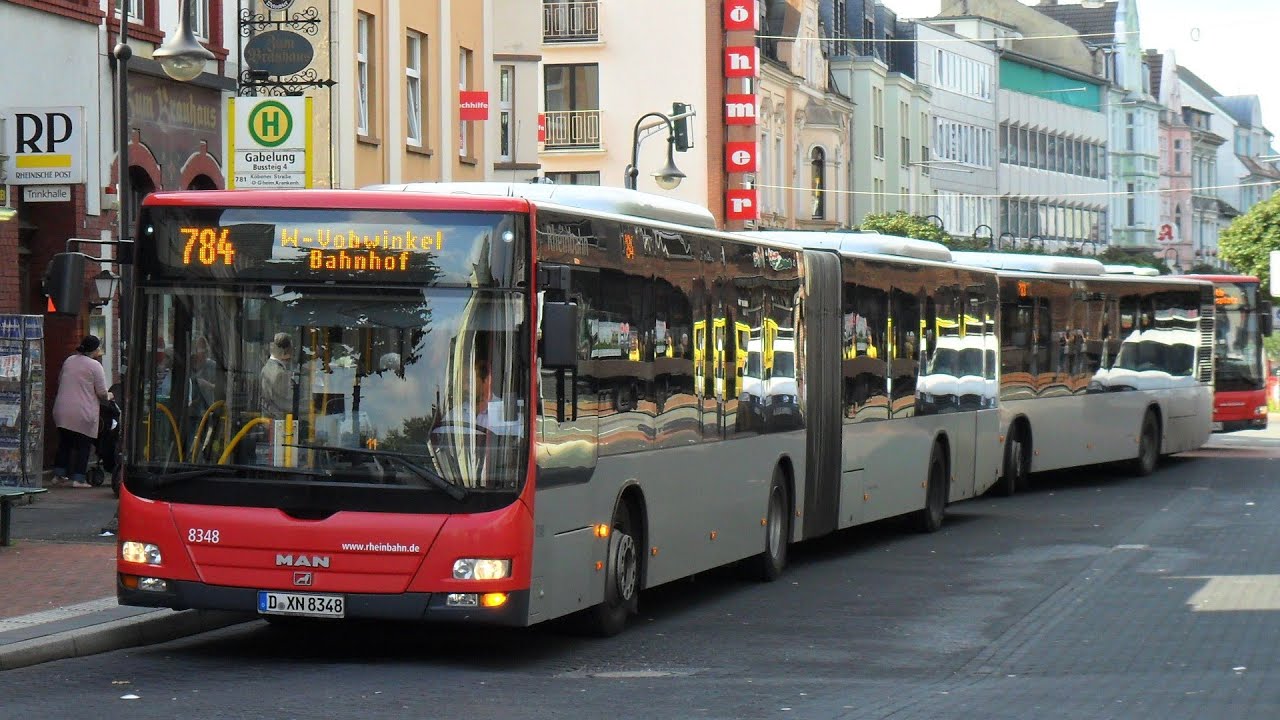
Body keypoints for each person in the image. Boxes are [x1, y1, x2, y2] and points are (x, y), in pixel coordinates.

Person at [51, 335, 112, 488]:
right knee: (84, 445)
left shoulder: (69, 360)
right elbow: (102, 392)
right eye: (98, 347)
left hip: (62, 409)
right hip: (83, 411)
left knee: (64, 443)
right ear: (94, 350)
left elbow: (60, 380)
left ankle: (58, 475)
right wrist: (110, 395)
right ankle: (79, 479)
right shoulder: (95, 366)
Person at [260, 332, 294, 417]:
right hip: (278, 418)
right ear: (285, 351)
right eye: (291, 349)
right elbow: (282, 403)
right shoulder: (280, 373)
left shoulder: (267, 367)